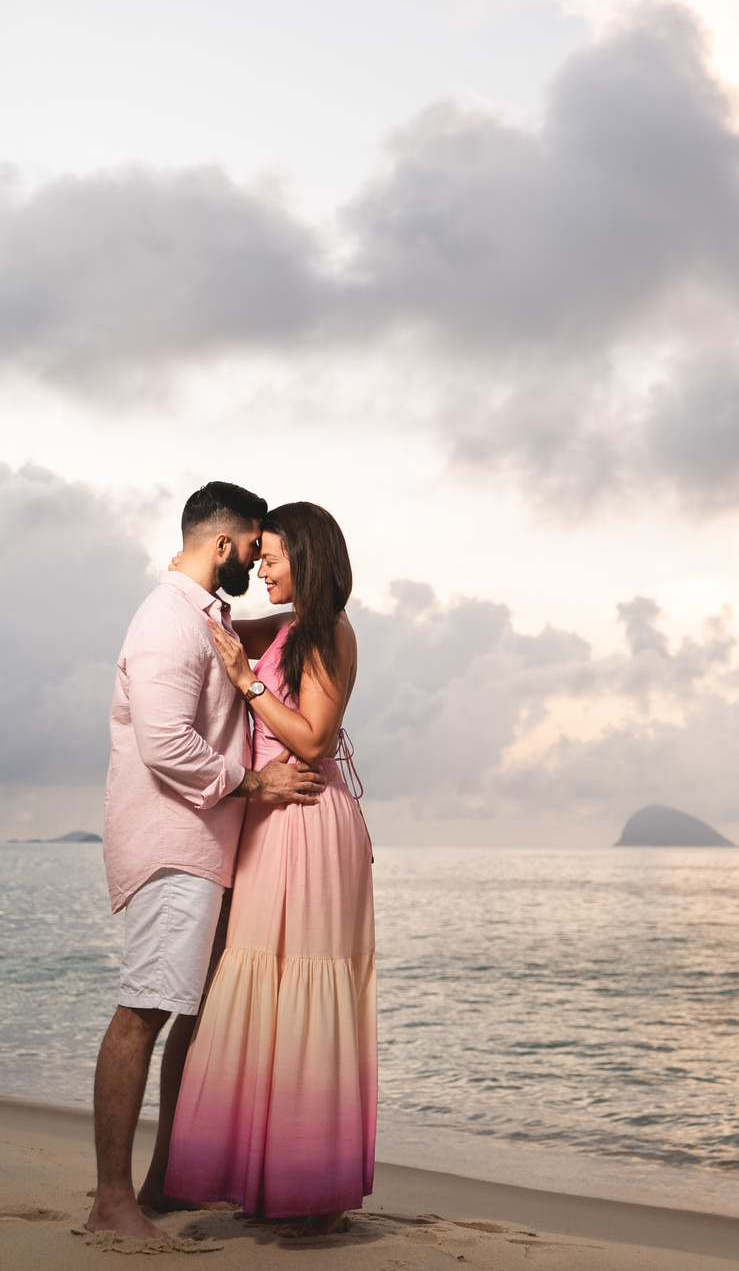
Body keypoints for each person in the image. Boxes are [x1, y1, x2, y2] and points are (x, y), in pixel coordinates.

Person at [87, 482, 326, 1243]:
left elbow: (255, 626)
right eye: (255, 546)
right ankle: (110, 1200)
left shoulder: (205, 613)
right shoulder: (167, 621)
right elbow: (165, 745)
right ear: (223, 544)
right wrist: (254, 781)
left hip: (206, 843)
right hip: (174, 843)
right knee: (146, 1008)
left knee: (187, 1011)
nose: (257, 561)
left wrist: (317, 601)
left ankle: (161, 1181)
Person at [164, 501, 376, 1236]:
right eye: (258, 556)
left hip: (309, 819)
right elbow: (207, 618)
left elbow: (314, 739)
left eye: (272, 556)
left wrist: (248, 684)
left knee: (301, 992)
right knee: (259, 989)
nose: (261, 567)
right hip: (269, 820)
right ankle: (261, 1177)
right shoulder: (283, 627)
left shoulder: (327, 631)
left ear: (307, 558)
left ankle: (309, 1190)